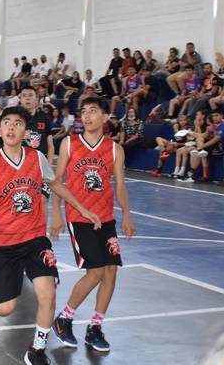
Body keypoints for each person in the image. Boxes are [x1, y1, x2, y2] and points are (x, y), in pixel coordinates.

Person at [0, 106, 102, 365]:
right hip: (6, 245)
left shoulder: (36, 159)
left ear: (25, 131)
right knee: (6, 307)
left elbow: (55, 185)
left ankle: (37, 349)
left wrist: (83, 209)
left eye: (17, 123)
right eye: (6, 122)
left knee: (48, 292)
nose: (10, 127)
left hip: (35, 240)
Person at [49, 95, 136, 354]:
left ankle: (95, 327)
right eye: (83, 112)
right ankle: (64, 319)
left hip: (106, 217)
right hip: (79, 217)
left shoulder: (114, 149)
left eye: (93, 111)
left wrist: (127, 215)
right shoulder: (69, 143)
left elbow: (119, 184)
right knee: (95, 272)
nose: (86, 116)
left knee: (111, 271)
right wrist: (55, 213)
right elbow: (57, 181)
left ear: (105, 117)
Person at [191, 111, 224, 183]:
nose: (214, 118)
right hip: (217, 147)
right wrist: (193, 134)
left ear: (222, 116)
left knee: (200, 151)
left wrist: (201, 146)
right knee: (200, 150)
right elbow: (205, 135)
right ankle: (200, 175)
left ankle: (192, 174)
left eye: (216, 115)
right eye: (213, 116)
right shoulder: (215, 125)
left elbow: (215, 139)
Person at [20, 87, 55, 168]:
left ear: (36, 99)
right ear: (21, 100)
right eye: (24, 96)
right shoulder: (14, 119)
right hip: (21, 164)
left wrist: (48, 166)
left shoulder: (44, 118)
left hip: (41, 164)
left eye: (31, 95)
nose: (27, 98)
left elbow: (50, 145)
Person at [175, 111, 208, 182]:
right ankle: (190, 176)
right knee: (194, 152)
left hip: (205, 145)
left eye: (197, 114)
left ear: (203, 116)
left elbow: (201, 136)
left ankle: (190, 175)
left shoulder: (206, 125)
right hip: (197, 145)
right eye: (196, 114)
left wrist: (197, 126)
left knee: (196, 148)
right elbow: (195, 135)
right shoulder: (195, 124)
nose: (196, 116)